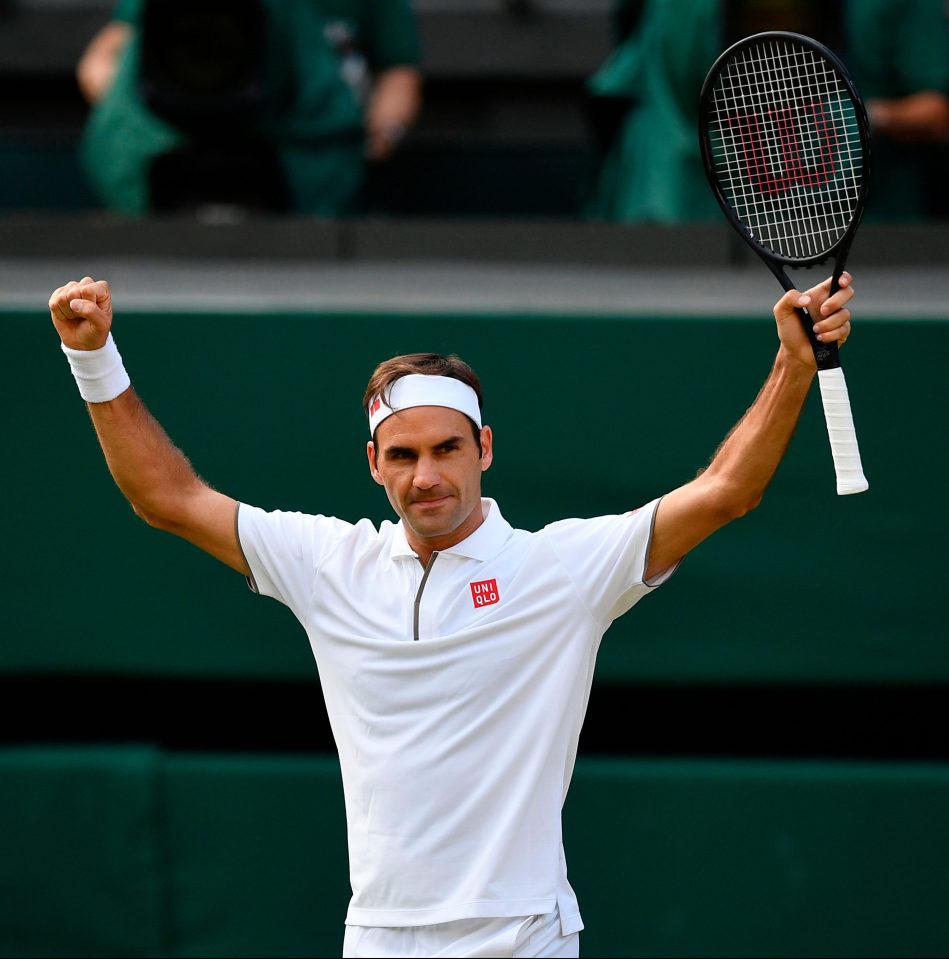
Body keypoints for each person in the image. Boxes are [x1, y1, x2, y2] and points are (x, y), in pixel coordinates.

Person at [49, 270, 855, 958]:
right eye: (402, 454)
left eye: (446, 449)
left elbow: (726, 491)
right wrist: (92, 355)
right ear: (374, 464)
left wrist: (792, 363)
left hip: (522, 932)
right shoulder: (328, 563)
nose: (425, 474)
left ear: (485, 449)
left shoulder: (561, 568)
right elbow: (168, 499)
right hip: (376, 932)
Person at [587, 0, 949, 222]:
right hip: (672, 215)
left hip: (857, 229)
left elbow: (938, 115)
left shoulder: (898, 9)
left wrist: (862, 117)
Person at [76, 0, 422, 216]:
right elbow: (104, 57)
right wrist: (124, 107)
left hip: (306, 160)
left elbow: (399, 70)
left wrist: (383, 132)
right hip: (170, 145)